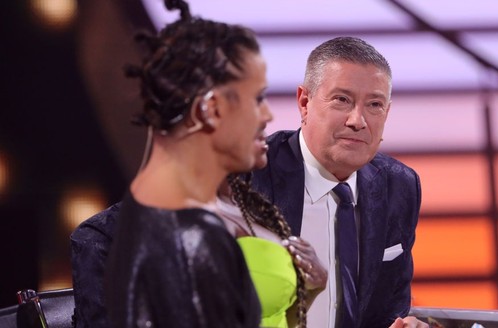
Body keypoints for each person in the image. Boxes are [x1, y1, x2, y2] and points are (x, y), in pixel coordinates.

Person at [100, 0, 272, 326]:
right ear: (210, 109)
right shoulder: (194, 239)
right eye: (257, 99)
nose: (267, 115)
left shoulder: (146, 207)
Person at [250, 37, 428, 328]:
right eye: (342, 100)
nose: (358, 120)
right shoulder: (251, 173)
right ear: (304, 103)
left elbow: (392, 307)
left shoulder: (399, 186)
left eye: (374, 104)